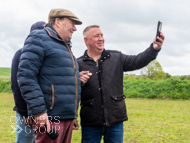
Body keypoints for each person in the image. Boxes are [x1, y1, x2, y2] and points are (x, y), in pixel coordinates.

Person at [77, 25, 165, 143]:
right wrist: (78, 81)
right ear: (86, 40)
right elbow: (73, 92)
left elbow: (137, 61)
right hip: (91, 122)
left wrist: (153, 49)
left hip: (115, 121)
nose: (101, 38)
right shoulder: (78, 64)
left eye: (102, 35)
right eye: (96, 36)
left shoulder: (116, 57)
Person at [17, 8, 83, 143]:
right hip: (50, 117)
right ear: (58, 21)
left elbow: (66, 81)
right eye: (72, 23)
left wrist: (73, 115)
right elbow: (26, 75)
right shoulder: (39, 38)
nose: (75, 29)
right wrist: (40, 112)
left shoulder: (66, 46)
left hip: (66, 116)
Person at [11, 21, 46, 143]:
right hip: (27, 112)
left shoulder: (49, 54)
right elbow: (17, 85)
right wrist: (25, 113)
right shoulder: (21, 53)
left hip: (46, 111)